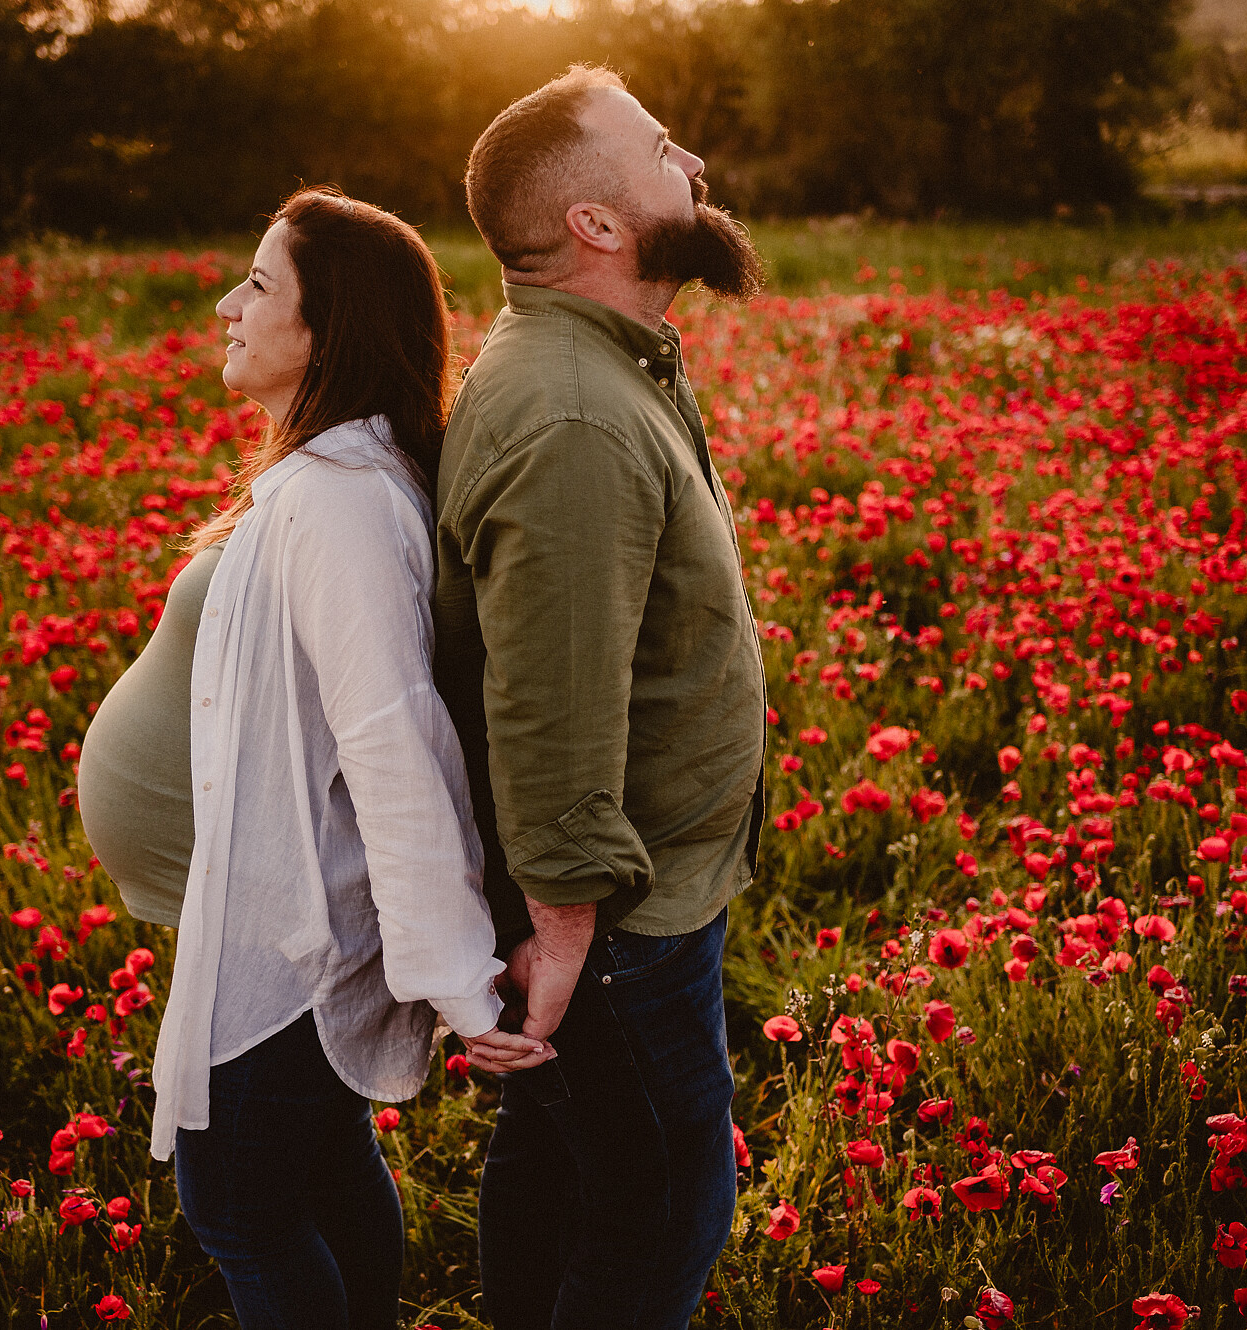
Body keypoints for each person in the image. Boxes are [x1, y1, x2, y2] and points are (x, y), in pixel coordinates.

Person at [76, 185, 551, 1330]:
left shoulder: (338, 502)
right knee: (316, 1168)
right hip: (276, 905)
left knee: (237, 1197)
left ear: (323, 329)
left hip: (293, 930)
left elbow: (393, 740)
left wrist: (453, 972)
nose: (228, 306)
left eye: (258, 284)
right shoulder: (329, 476)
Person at [434, 67, 769, 1330]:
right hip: (621, 921)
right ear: (592, 224)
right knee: (661, 1212)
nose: (689, 164)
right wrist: (564, 927)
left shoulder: (600, 363)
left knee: (565, 1168)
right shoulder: (574, 408)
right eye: (659, 148)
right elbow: (551, 696)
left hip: (634, 897)